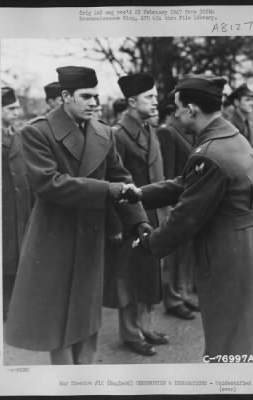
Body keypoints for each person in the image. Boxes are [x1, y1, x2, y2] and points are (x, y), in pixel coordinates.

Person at [5, 66, 149, 365]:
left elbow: (122, 177)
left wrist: (139, 221)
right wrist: (108, 189)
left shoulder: (103, 133)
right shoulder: (37, 131)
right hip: (54, 237)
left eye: (96, 96)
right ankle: (65, 376)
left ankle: (85, 373)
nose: (94, 102)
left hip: (91, 236)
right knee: (58, 317)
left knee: (86, 311)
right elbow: (50, 184)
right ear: (65, 97)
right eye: (86, 96)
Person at [122, 74, 253, 361]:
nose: (174, 113)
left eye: (177, 106)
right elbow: (188, 182)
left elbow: (185, 218)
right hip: (250, 244)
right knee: (248, 329)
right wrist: (141, 194)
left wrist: (148, 244)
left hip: (230, 254)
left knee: (228, 336)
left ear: (192, 109)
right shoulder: (229, 136)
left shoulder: (209, 153)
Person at [103, 73, 169, 356]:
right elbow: (111, 181)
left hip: (152, 216)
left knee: (148, 275)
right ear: (132, 101)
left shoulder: (148, 128)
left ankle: (145, 325)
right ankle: (130, 333)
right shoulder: (117, 134)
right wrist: (116, 224)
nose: (156, 102)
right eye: (149, 97)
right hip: (129, 220)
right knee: (129, 279)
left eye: (155, 96)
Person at [156, 103, 198, 320]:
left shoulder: (185, 130)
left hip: (188, 198)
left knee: (185, 251)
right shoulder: (167, 131)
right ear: (174, 110)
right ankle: (172, 298)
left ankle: (183, 292)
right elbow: (168, 170)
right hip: (176, 200)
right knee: (173, 254)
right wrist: (170, 203)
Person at [1, 87, 33, 320]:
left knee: (17, 253)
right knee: (3, 256)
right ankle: (3, 306)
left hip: (20, 206)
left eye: (16, 107)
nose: (17, 112)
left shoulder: (18, 136)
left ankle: (14, 304)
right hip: (1, 209)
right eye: (10, 108)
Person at [227, 83, 253, 171]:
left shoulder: (250, 125)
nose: (251, 103)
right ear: (236, 102)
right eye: (247, 100)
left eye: (252, 100)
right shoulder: (230, 125)